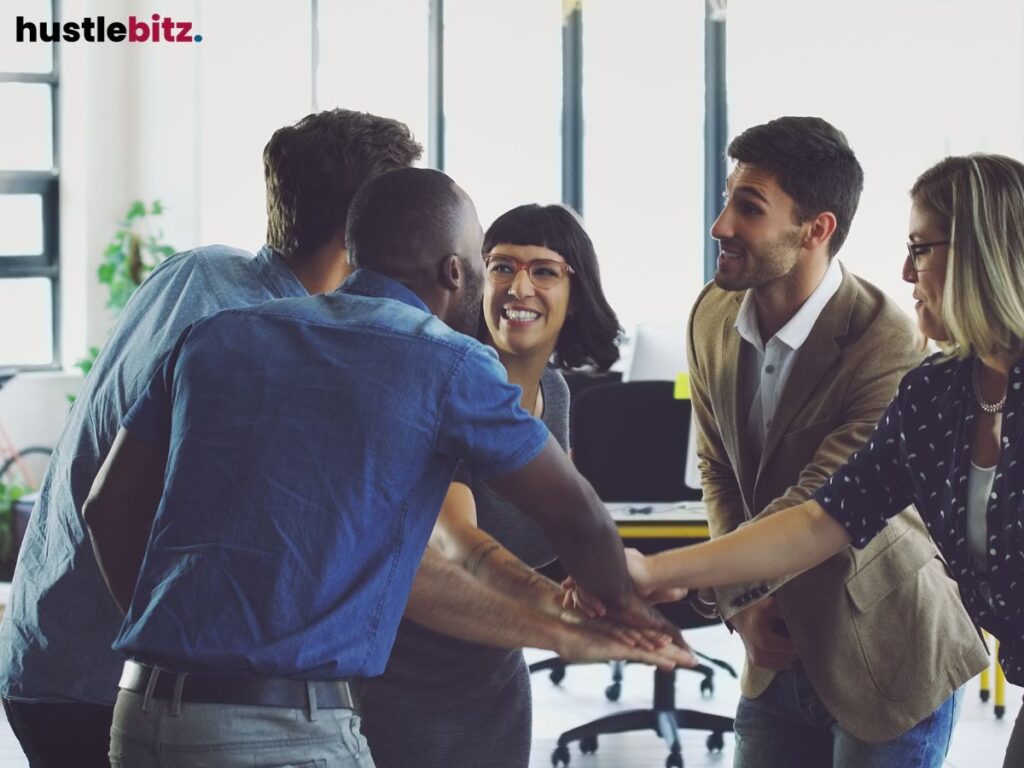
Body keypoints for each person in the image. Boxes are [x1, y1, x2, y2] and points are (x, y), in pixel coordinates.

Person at [83, 168, 689, 767]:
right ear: (456, 272)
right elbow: (572, 513)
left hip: (143, 716)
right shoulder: (446, 363)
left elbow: (106, 507)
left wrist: (176, 642)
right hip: (287, 725)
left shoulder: (212, 336)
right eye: (488, 261)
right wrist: (620, 614)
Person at [0, 108, 424, 768]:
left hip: (46, 655)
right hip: (103, 686)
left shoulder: (198, 272)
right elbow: (136, 514)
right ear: (362, 231)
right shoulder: (252, 332)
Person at [622, 152, 1024, 767]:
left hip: (886, 654)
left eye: (920, 248)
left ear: (981, 253)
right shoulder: (939, 394)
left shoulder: (889, 340)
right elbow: (821, 517)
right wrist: (659, 572)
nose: (905, 272)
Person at [354, 203, 628, 768]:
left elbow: (552, 525)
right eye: (502, 267)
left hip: (494, 680)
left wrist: (584, 580)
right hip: (400, 684)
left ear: (576, 291)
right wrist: (561, 614)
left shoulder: (557, 390)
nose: (518, 287)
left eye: (544, 271)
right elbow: (457, 543)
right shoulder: (451, 380)